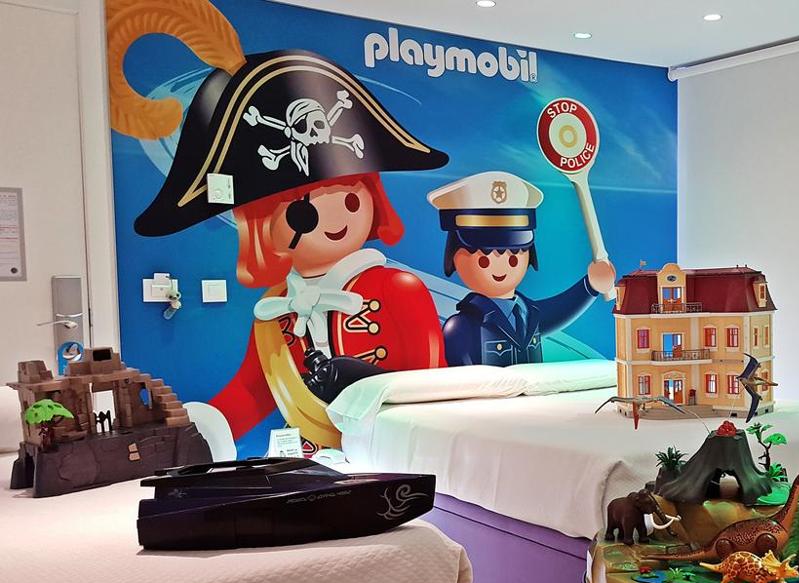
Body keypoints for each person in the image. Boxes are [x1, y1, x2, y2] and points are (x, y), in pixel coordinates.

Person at [108, 0, 450, 451]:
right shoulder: (274, 311)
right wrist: (193, 435)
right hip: (314, 463)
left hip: (396, 455)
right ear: (260, 225)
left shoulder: (398, 289)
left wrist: (365, 381)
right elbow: (252, 393)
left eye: (351, 199)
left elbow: (432, 390)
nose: (335, 219)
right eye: (304, 212)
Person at [429, 171, 616, 367]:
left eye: (513, 259)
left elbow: (560, 308)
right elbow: (460, 380)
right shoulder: (461, 327)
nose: (500, 267)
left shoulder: (528, 314)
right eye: (484, 260)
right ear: (455, 256)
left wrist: (591, 285)